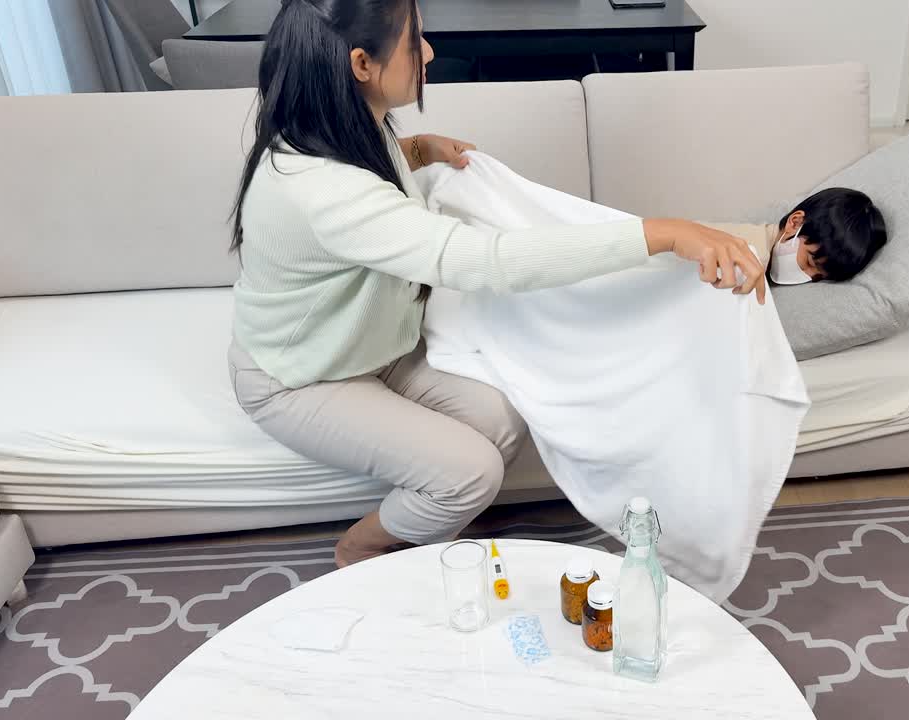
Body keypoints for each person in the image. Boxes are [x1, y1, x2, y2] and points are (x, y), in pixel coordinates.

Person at [225, 0, 765, 568]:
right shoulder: (323, 190)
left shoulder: (342, 123)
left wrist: (417, 149)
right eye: (416, 40)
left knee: (504, 421)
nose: (428, 52)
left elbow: (373, 179)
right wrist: (660, 233)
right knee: (471, 473)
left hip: (376, 349)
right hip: (299, 379)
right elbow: (486, 261)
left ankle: (435, 511)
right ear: (362, 63)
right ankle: (361, 548)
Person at [766, 188, 888, 286]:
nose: (807, 276)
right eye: (809, 262)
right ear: (795, 222)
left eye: (817, 277)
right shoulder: (754, 251)